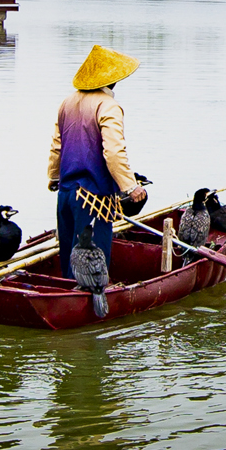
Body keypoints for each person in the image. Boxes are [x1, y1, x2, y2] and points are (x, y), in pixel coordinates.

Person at [47, 44, 150, 315]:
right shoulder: (109, 105)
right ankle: (91, 311)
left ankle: (67, 306)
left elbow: (57, 146)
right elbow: (114, 152)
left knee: (70, 255)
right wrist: (131, 186)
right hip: (93, 199)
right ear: (111, 79)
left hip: (66, 194)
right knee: (94, 258)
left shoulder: (67, 103)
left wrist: (53, 176)